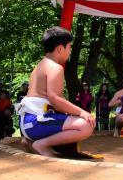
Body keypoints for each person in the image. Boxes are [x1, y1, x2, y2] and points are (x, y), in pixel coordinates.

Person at [17, 27, 95, 156]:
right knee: (86, 125)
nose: (70, 51)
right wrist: (81, 112)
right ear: (60, 48)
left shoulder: (39, 67)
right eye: (69, 47)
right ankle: (42, 144)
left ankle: (30, 142)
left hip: (26, 123)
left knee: (70, 117)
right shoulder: (55, 68)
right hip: (36, 122)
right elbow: (55, 99)